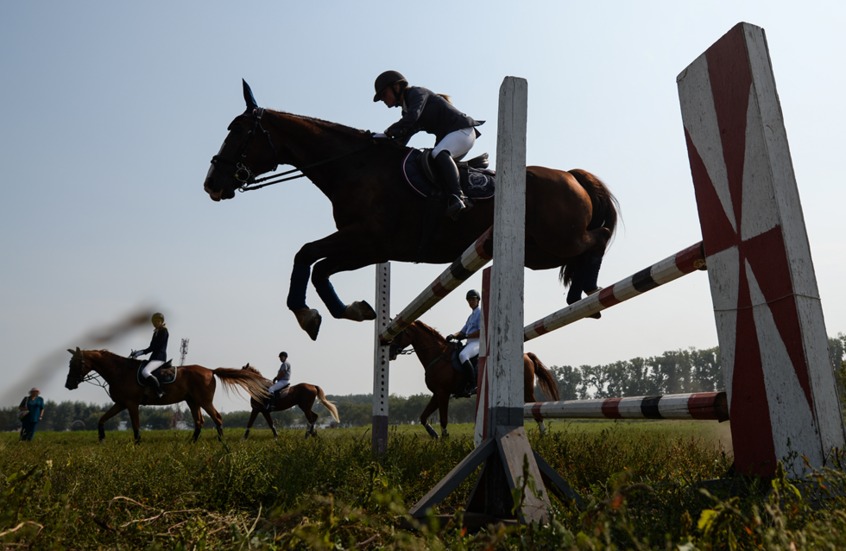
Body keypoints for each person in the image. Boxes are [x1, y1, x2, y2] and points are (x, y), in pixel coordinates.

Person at [373, 70, 483, 218]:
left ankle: (459, 197)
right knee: (431, 162)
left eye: (383, 94)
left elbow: (412, 118)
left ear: (396, 87)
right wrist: (378, 145)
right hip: (454, 135)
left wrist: (387, 132)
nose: (382, 99)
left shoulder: (416, 93)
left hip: (463, 131)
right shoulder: (407, 111)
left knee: (437, 153)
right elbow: (401, 141)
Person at [447, 289, 481, 397]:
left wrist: (466, 336)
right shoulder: (470, 317)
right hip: (470, 342)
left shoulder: (480, 313)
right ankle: (462, 387)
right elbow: (462, 331)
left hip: (477, 343)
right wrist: (453, 335)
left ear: (478, 300)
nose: (471, 302)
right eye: (469, 300)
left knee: (463, 355)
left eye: (473, 299)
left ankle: (473, 385)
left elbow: (481, 331)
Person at [130, 312, 169, 398]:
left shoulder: (163, 331)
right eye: (154, 321)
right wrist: (139, 352)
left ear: (162, 322)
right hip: (154, 357)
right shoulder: (156, 331)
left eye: (158, 321)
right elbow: (151, 346)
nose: (156, 323)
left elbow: (155, 346)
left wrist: (140, 353)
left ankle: (160, 391)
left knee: (145, 372)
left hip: (159, 358)